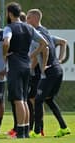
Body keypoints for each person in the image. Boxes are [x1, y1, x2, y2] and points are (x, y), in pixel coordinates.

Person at [3, 2, 48, 138]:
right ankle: (26, 131)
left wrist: (5, 53)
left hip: (15, 66)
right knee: (24, 99)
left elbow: (6, 42)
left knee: (18, 100)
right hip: (26, 66)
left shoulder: (9, 28)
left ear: (10, 14)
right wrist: (31, 55)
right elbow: (44, 43)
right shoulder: (29, 28)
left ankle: (21, 132)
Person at [26, 9, 71, 138]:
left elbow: (44, 49)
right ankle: (64, 127)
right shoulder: (45, 31)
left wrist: (43, 65)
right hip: (57, 70)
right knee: (49, 100)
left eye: (29, 18)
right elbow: (63, 42)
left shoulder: (37, 34)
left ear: (35, 19)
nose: (27, 21)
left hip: (50, 72)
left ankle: (37, 131)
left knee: (38, 100)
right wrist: (60, 59)